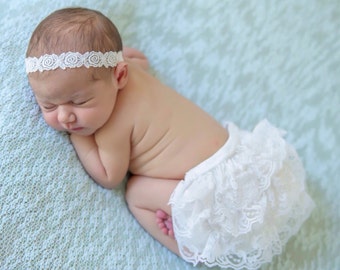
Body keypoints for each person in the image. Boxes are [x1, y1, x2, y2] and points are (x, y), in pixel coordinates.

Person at [25, 7, 314, 269]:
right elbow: (140, 58)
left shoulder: (112, 126)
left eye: (79, 102)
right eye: (48, 105)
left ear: (119, 76)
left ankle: (190, 250)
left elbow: (108, 176)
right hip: (236, 158)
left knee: (135, 193)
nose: (65, 117)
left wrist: (79, 138)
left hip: (210, 192)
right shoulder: (128, 68)